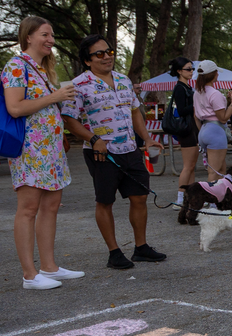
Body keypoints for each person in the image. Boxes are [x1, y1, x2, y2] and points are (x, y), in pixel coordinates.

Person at [61, 35, 167, 270]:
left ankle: (141, 248)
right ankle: (114, 252)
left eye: (109, 52)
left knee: (140, 197)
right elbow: (69, 119)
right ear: (87, 61)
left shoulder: (123, 80)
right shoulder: (77, 85)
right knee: (105, 201)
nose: (107, 57)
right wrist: (93, 139)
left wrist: (148, 138)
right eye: (99, 54)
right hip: (102, 153)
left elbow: (135, 112)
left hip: (130, 149)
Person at [0, 16, 82, 289]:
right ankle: (29, 274)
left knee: (51, 206)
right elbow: (15, 107)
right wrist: (54, 97)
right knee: (29, 208)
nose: (51, 40)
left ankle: (50, 267)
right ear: (28, 38)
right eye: (45, 35)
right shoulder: (16, 65)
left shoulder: (41, 69)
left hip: (51, 149)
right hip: (29, 149)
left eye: (52, 35)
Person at [192, 60, 232, 184]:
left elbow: (195, 116)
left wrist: (203, 131)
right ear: (213, 74)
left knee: (221, 169)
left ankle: (219, 196)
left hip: (204, 130)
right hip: (216, 132)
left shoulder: (197, 93)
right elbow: (223, 118)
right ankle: (212, 198)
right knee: (214, 171)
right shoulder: (215, 94)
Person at [165, 57, 200, 210]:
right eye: (188, 69)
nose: (191, 71)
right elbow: (181, 110)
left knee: (192, 166)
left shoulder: (186, 86)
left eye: (192, 69)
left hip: (191, 128)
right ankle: (180, 199)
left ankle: (189, 197)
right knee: (188, 166)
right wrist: (197, 103)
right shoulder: (180, 87)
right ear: (179, 71)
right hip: (186, 129)